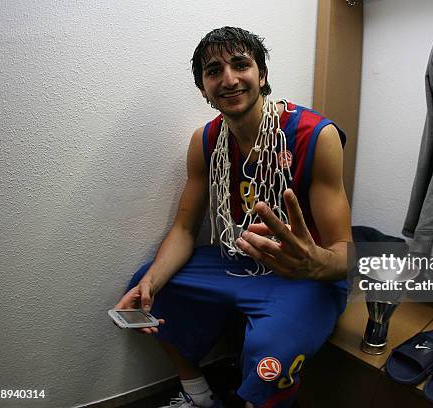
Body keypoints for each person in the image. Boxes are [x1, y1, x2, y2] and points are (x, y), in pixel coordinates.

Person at [114, 26, 351, 408]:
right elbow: (184, 230)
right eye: (213, 71)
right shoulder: (205, 141)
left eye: (241, 64)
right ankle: (198, 397)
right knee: (146, 289)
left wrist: (313, 261)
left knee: (270, 351)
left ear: (262, 74)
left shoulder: (313, 135)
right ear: (203, 89)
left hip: (306, 273)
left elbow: (345, 254)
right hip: (236, 258)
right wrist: (152, 282)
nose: (228, 78)